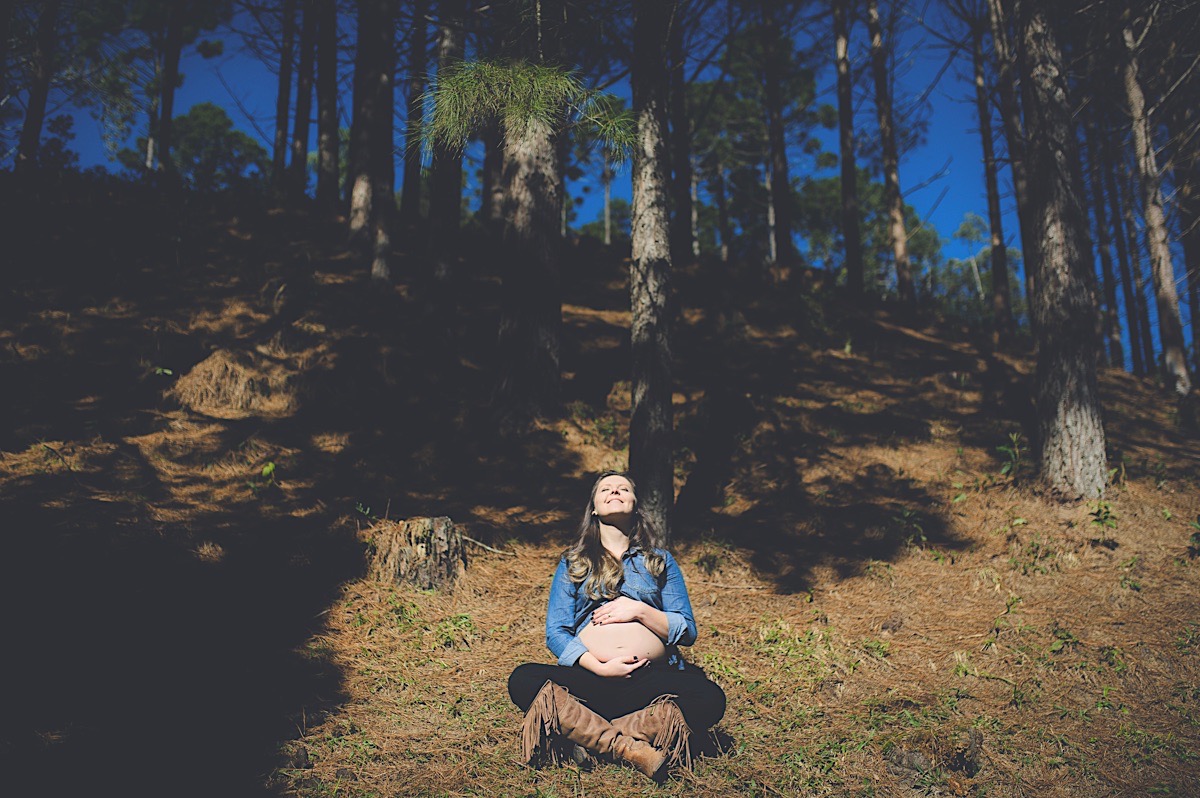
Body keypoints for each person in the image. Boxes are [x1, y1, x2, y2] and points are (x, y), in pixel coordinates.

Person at [507, 471, 726, 780]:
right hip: (590, 680)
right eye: (605, 489)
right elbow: (556, 632)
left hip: (649, 681)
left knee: (711, 698)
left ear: (635, 505)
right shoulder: (573, 562)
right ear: (594, 508)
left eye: (623, 488)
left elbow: (687, 629)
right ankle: (628, 747)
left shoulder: (659, 561)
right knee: (522, 679)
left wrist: (639, 611)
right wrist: (599, 667)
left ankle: (586, 734)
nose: (615, 491)